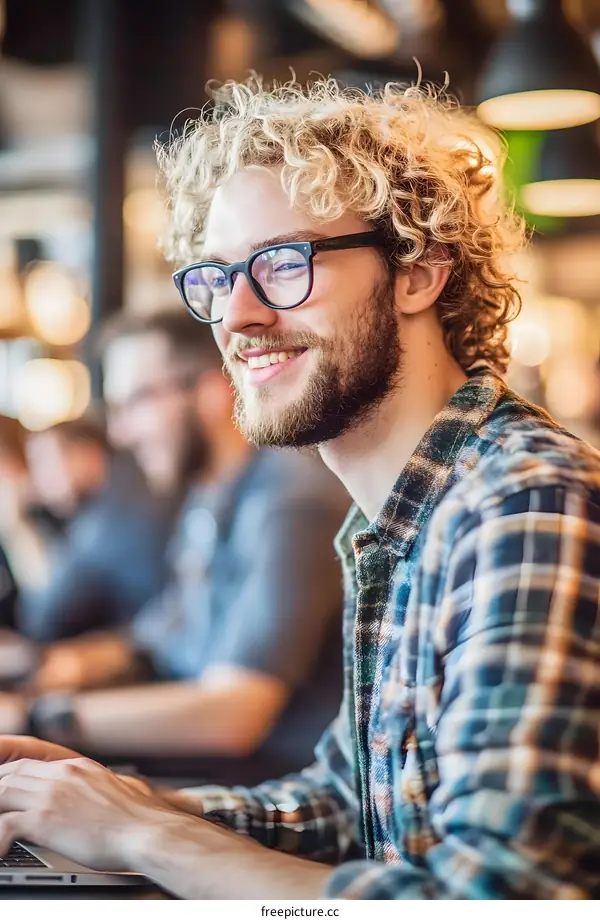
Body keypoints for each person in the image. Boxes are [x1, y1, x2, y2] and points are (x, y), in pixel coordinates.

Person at [1, 76, 600, 900]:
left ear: (419, 272)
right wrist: (103, 803)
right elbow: (341, 805)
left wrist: (142, 834)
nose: (238, 318)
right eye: (217, 278)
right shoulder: (388, 524)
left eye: (284, 264)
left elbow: (504, 900)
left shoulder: (523, 498)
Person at [7, 310, 347, 784]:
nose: (120, 433)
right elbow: (155, 636)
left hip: (275, 797)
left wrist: (34, 717)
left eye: (136, 403)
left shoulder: (292, 501)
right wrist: (37, 667)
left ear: (210, 391)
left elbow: (234, 714)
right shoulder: (205, 499)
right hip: (218, 777)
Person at [10, 417, 174, 644]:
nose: (39, 481)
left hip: (161, 659)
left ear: (87, 454)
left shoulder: (111, 519)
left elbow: (42, 619)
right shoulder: (124, 483)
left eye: (46, 463)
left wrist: (17, 528)